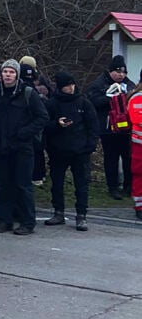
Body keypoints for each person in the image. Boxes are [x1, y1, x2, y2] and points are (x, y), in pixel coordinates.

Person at [0, 59, 49, 235]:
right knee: (3, 185)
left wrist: (25, 133)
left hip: (23, 148)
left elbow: (42, 117)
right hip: (1, 147)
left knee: (23, 186)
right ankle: (4, 220)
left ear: (17, 75)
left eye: (11, 72)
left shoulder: (28, 93)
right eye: (5, 71)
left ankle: (27, 222)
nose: (7, 75)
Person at [43, 71, 99, 231]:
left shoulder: (84, 102)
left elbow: (93, 126)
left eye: (72, 84)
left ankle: (81, 215)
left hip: (80, 151)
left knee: (81, 184)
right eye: (68, 85)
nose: (71, 87)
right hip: (58, 150)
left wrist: (90, 146)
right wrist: (57, 124)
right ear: (61, 87)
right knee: (57, 183)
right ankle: (58, 212)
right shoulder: (52, 103)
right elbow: (44, 125)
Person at [86, 55, 134, 200]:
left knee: (128, 157)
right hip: (108, 128)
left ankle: (128, 185)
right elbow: (93, 101)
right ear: (110, 71)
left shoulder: (129, 84)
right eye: (118, 72)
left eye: (123, 72)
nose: (121, 75)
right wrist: (111, 97)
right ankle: (113, 187)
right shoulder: (100, 83)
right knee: (111, 158)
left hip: (125, 128)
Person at [126, 76, 142, 222]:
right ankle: (139, 207)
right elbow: (137, 119)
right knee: (139, 174)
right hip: (139, 144)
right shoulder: (137, 97)